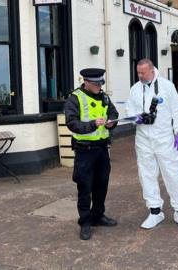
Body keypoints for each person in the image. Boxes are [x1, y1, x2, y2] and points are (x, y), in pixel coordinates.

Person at [126, 58, 178, 230]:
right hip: (143, 139)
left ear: (151, 70)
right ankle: (155, 211)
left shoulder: (166, 86)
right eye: (138, 72)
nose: (140, 75)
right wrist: (137, 117)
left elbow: (177, 110)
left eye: (143, 72)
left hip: (165, 138)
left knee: (173, 174)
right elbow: (129, 110)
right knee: (146, 174)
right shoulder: (135, 89)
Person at [64, 68, 119, 240]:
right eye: (96, 84)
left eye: (101, 83)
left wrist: (111, 123)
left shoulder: (103, 96)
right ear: (86, 82)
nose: (99, 86)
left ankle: (98, 216)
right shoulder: (75, 98)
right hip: (85, 150)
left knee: (101, 184)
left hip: (102, 149)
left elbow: (113, 113)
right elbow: (72, 123)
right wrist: (93, 124)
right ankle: (85, 222)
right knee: (85, 187)